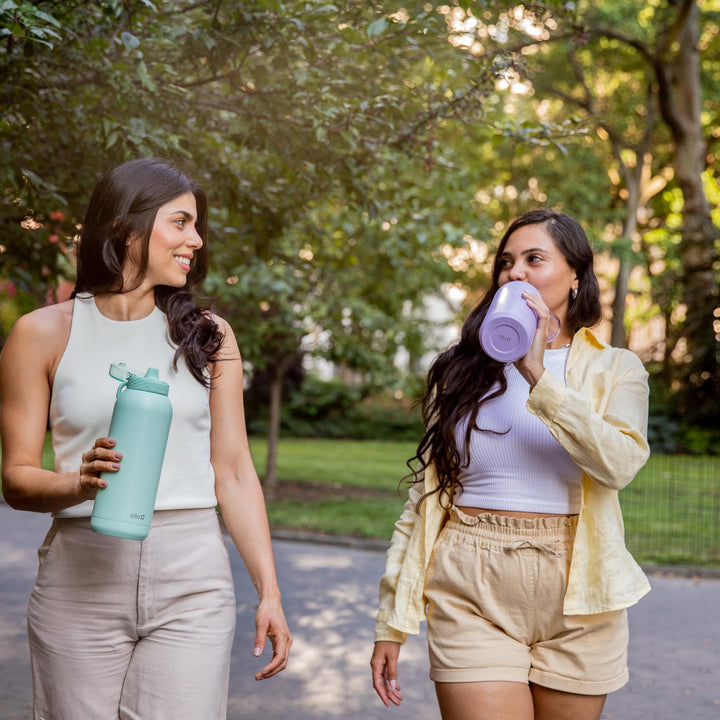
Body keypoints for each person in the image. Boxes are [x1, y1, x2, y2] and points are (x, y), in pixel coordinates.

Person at [0, 157, 292, 719]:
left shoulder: (208, 335)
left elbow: (232, 470)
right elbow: (15, 478)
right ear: (126, 226)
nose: (196, 239)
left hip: (193, 577)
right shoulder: (40, 334)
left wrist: (269, 592)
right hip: (80, 576)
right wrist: (78, 483)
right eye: (180, 222)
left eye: (196, 225)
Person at [370, 209, 651, 720]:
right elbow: (425, 499)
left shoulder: (617, 368)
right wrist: (391, 621)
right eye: (506, 262)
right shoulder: (462, 370)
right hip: (469, 579)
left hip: (580, 591)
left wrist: (537, 373)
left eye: (534, 259)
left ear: (575, 277)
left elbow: (619, 465)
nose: (514, 272)